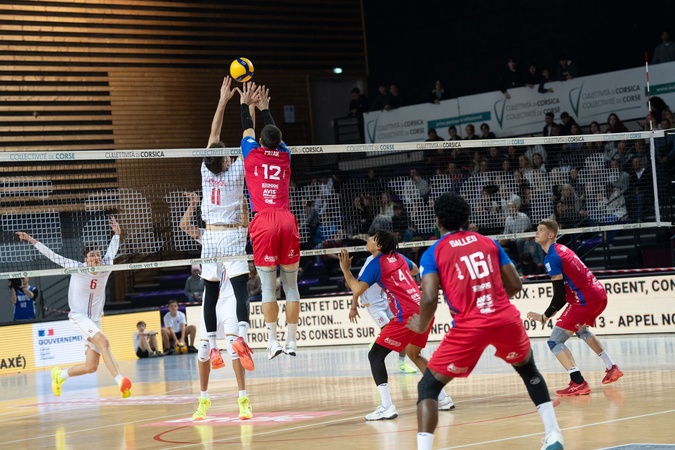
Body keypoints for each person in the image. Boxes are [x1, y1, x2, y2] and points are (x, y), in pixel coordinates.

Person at [405, 193, 563, 450]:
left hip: (469, 326)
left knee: (429, 386)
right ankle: (554, 434)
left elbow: (430, 297)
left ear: (437, 221)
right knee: (528, 370)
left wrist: (422, 325)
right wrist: (493, 300)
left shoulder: (433, 253)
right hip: (505, 318)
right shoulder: (487, 242)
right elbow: (515, 284)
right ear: (467, 219)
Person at [338, 230, 454, 421]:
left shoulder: (376, 263)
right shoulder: (398, 256)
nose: (368, 240)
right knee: (413, 354)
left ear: (379, 246)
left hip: (408, 315)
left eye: (372, 238)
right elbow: (415, 269)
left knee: (375, 355)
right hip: (424, 308)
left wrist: (345, 270)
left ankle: (386, 406)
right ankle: (443, 398)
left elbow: (357, 288)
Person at [16, 217, 133, 398]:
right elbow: (52, 255)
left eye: (97, 255)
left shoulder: (106, 266)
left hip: (95, 319)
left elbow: (112, 249)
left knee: (91, 367)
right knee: (104, 342)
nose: (96, 258)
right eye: (92, 255)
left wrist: (117, 234)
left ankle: (59, 376)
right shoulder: (76, 267)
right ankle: (120, 381)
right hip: (79, 317)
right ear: (85, 259)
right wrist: (31, 240)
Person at [179, 191, 254, 421]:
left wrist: (240, 200)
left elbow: (246, 221)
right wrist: (193, 205)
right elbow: (184, 226)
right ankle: (203, 400)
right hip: (211, 302)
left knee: (234, 347)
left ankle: (243, 400)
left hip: (230, 299)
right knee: (203, 352)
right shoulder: (207, 237)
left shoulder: (238, 235)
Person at [527, 219, 623, 397]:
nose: (536, 233)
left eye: (540, 230)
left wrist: (544, 316)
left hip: (585, 299)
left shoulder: (552, 258)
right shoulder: (563, 249)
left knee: (554, 341)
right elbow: (563, 295)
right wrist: (547, 315)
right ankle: (611, 367)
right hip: (598, 294)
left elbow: (559, 295)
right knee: (581, 330)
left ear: (550, 235)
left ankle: (578, 382)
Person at [239, 82, 301, 359]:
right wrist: (265, 109)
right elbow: (274, 134)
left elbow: (247, 129)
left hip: (263, 221)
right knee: (291, 286)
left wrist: (245, 104)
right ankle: (291, 342)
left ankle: (273, 341)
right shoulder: (286, 155)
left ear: (261, 143)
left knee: (268, 287)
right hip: (286, 220)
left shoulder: (251, 154)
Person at [199, 76, 253, 370]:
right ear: (224, 162)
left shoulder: (206, 171)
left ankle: (212, 345)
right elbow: (250, 136)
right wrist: (248, 106)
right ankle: (241, 336)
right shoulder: (236, 173)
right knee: (241, 287)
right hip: (231, 235)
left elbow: (214, 132)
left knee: (210, 291)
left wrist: (222, 100)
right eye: (227, 155)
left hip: (209, 236)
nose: (231, 154)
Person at [349, 254, 433, 376]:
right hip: (373, 304)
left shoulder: (393, 258)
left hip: (386, 300)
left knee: (402, 333)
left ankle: (401, 362)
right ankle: (379, 345)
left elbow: (413, 270)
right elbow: (357, 285)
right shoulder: (372, 262)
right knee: (390, 331)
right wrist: (353, 306)